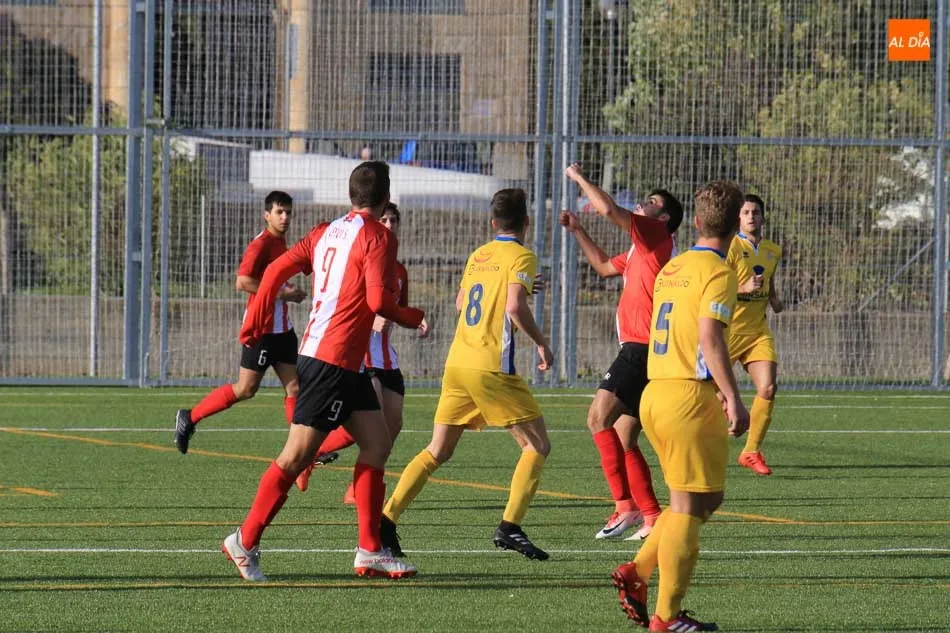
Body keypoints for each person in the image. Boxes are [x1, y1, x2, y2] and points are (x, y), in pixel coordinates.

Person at [221, 161, 428, 581]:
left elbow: (276, 270)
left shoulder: (324, 231)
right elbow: (378, 302)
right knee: (295, 457)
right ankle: (244, 539)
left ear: (352, 195)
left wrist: (254, 321)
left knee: (377, 444)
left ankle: (370, 550)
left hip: (344, 363)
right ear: (385, 197)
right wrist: (412, 315)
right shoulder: (378, 236)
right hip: (329, 361)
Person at [379, 188, 554, 561]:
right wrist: (541, 343)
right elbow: (514, 306)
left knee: (438, 450)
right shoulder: (523, 255)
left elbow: (462, 303)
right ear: (527, 221)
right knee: (537, 445)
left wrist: (513, 290)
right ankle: (510, 526)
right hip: (490, 366)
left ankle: (386, 518)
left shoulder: (480, 254)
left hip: (458, 362)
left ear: (493, 224)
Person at [612, 180, 749, 632]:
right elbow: (709, 338)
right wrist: (733, 396)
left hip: (656, 391)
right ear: (735, 226)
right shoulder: (719, 272)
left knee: (706, 499)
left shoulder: (674, 266)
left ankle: (637, 572)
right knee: (689, 508)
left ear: (697, 221)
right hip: (688, 397)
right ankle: (666, 619)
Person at [562, 163, 682, 541]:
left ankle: (625, 506)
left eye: (653, 202)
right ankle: (652, 516)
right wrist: (578, 231)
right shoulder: (638, 249)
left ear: (664, 218)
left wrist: (578, 177)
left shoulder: (655, 235)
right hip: (645, 351)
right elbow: (601, 267)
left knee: (597, 419)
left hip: (640, 348)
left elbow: (609, 209)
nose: (645, 203)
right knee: (623, 436)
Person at [297, 202, 427, 500]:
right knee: (370, 424)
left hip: (386, 356)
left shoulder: (399, 271)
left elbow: (397, 309)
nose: (389, 224)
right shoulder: (361, 255)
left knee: (392, 426)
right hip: (362, 353)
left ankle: (355, 487)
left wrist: (414, 319)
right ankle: (313, 456)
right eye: (385, 219)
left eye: (394, 220)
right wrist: (373, 318)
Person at [174, 191, 307, 460]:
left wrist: (288, 290)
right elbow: (243, 281)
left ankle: (302, 452)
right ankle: (190, 417)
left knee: (295, 389)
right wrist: (284, 293)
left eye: (288, 213)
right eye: (279, 212)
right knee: (246, 389)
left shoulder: (281, 243)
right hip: (261, 330)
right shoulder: (261, 244)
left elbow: (272, 279)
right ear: (267, 215)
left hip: (283, 330)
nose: (285, 217)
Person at [727, 194, 784, 475]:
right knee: (709, 396)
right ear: (738, 217)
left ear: (763, 217)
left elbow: (768, 281)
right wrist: (743, 288)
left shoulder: (773, 250)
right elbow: (715, 287)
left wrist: (773, 298)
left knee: (768, 388)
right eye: (746, 212)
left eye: (756, 212)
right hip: (727, 331)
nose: (751, 216)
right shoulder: (730, 247)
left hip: (757, 331)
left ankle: (750, 451)